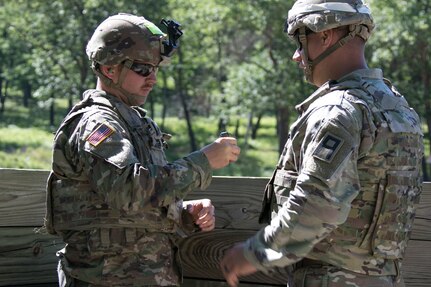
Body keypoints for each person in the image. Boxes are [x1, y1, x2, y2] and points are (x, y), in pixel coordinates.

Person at [220, 1, 423, 286]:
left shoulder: (338, 111)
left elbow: (316, 203)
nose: (296, 56)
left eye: (301, 42)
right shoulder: (399, 109)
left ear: (325, 35)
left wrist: (253, 253)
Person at [43, 13, 240, 286]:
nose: (153, 79)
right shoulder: (98, 124)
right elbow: (129, 190)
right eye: (143, 69)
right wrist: (202, 162)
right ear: (109, 68)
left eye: (156, 68)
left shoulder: (133, 121)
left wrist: (181, 211)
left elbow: (128, 208)